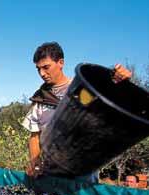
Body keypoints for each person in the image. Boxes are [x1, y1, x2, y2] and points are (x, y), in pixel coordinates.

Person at [21, 42, 132, 179]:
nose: (42, 73)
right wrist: (35, 162)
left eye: (46, 67)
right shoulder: (40, 98)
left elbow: (108, 101)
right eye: (38, 69)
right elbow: (34, 136)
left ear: (60, 62)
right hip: (52, 170)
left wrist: (119, 81)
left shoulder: (82, 87)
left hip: (83, 171)